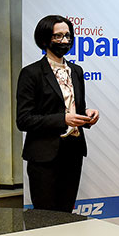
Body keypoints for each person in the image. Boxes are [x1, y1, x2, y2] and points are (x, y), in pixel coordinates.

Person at [16, 15, 99, 212]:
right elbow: (24, 120)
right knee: (45, 217)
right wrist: (63, 119)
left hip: (73, 152)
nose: (64, 41)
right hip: (44, 156)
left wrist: (87, 115)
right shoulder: (31, 73)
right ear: (45, 39)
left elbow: (75, 108)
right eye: (58, 36)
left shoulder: (76, 71)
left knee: (66, 214)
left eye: (68, 36)